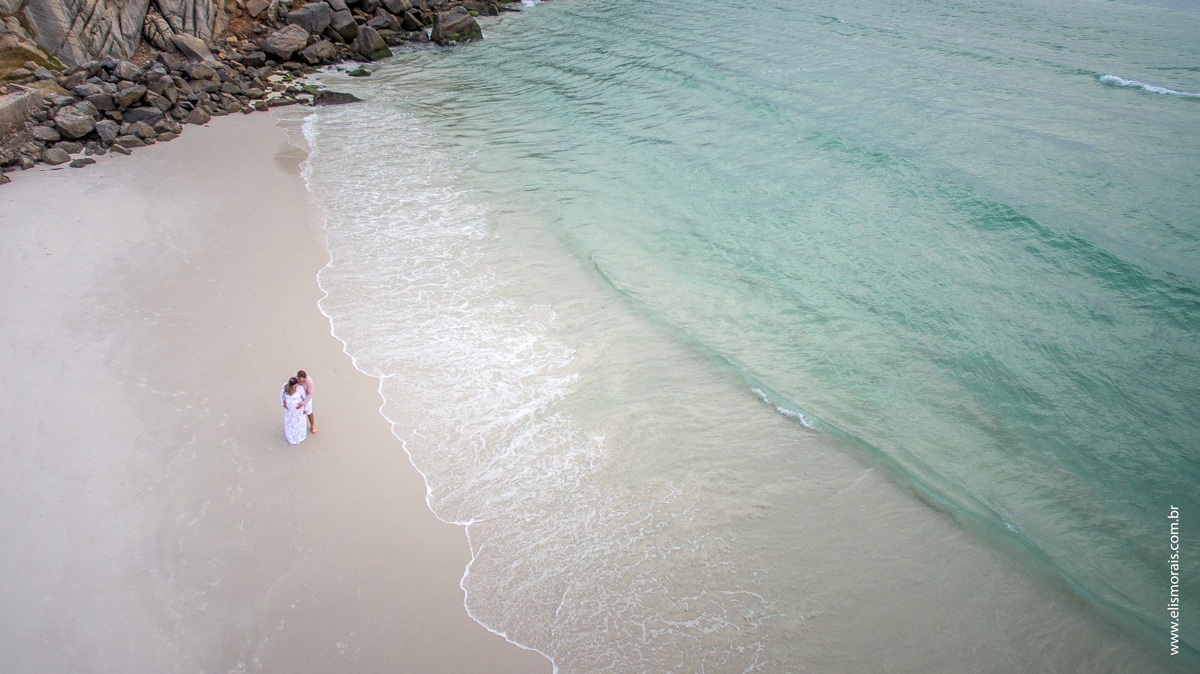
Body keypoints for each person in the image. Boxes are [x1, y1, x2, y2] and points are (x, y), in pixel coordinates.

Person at [280, 376, 307, 444]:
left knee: (299, 423)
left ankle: (300, 436)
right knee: (290, 423)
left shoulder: (300, 388)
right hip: (290, 411)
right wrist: (283, 403)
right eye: (295, 385)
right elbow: (281, 395)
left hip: (298, 410)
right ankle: (291, 437)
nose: (296, 386)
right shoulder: (285, 387)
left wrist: (305, 407)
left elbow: (305, 398)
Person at [296, 369, 316, 434]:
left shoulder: (309, 381)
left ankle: (312, 425)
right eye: (302, 379)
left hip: (306, 398)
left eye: (304, 379)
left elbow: (311, 393)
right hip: (298, 398)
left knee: (309, 412)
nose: (303, 380)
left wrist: (304, 403)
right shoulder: (294, 378)